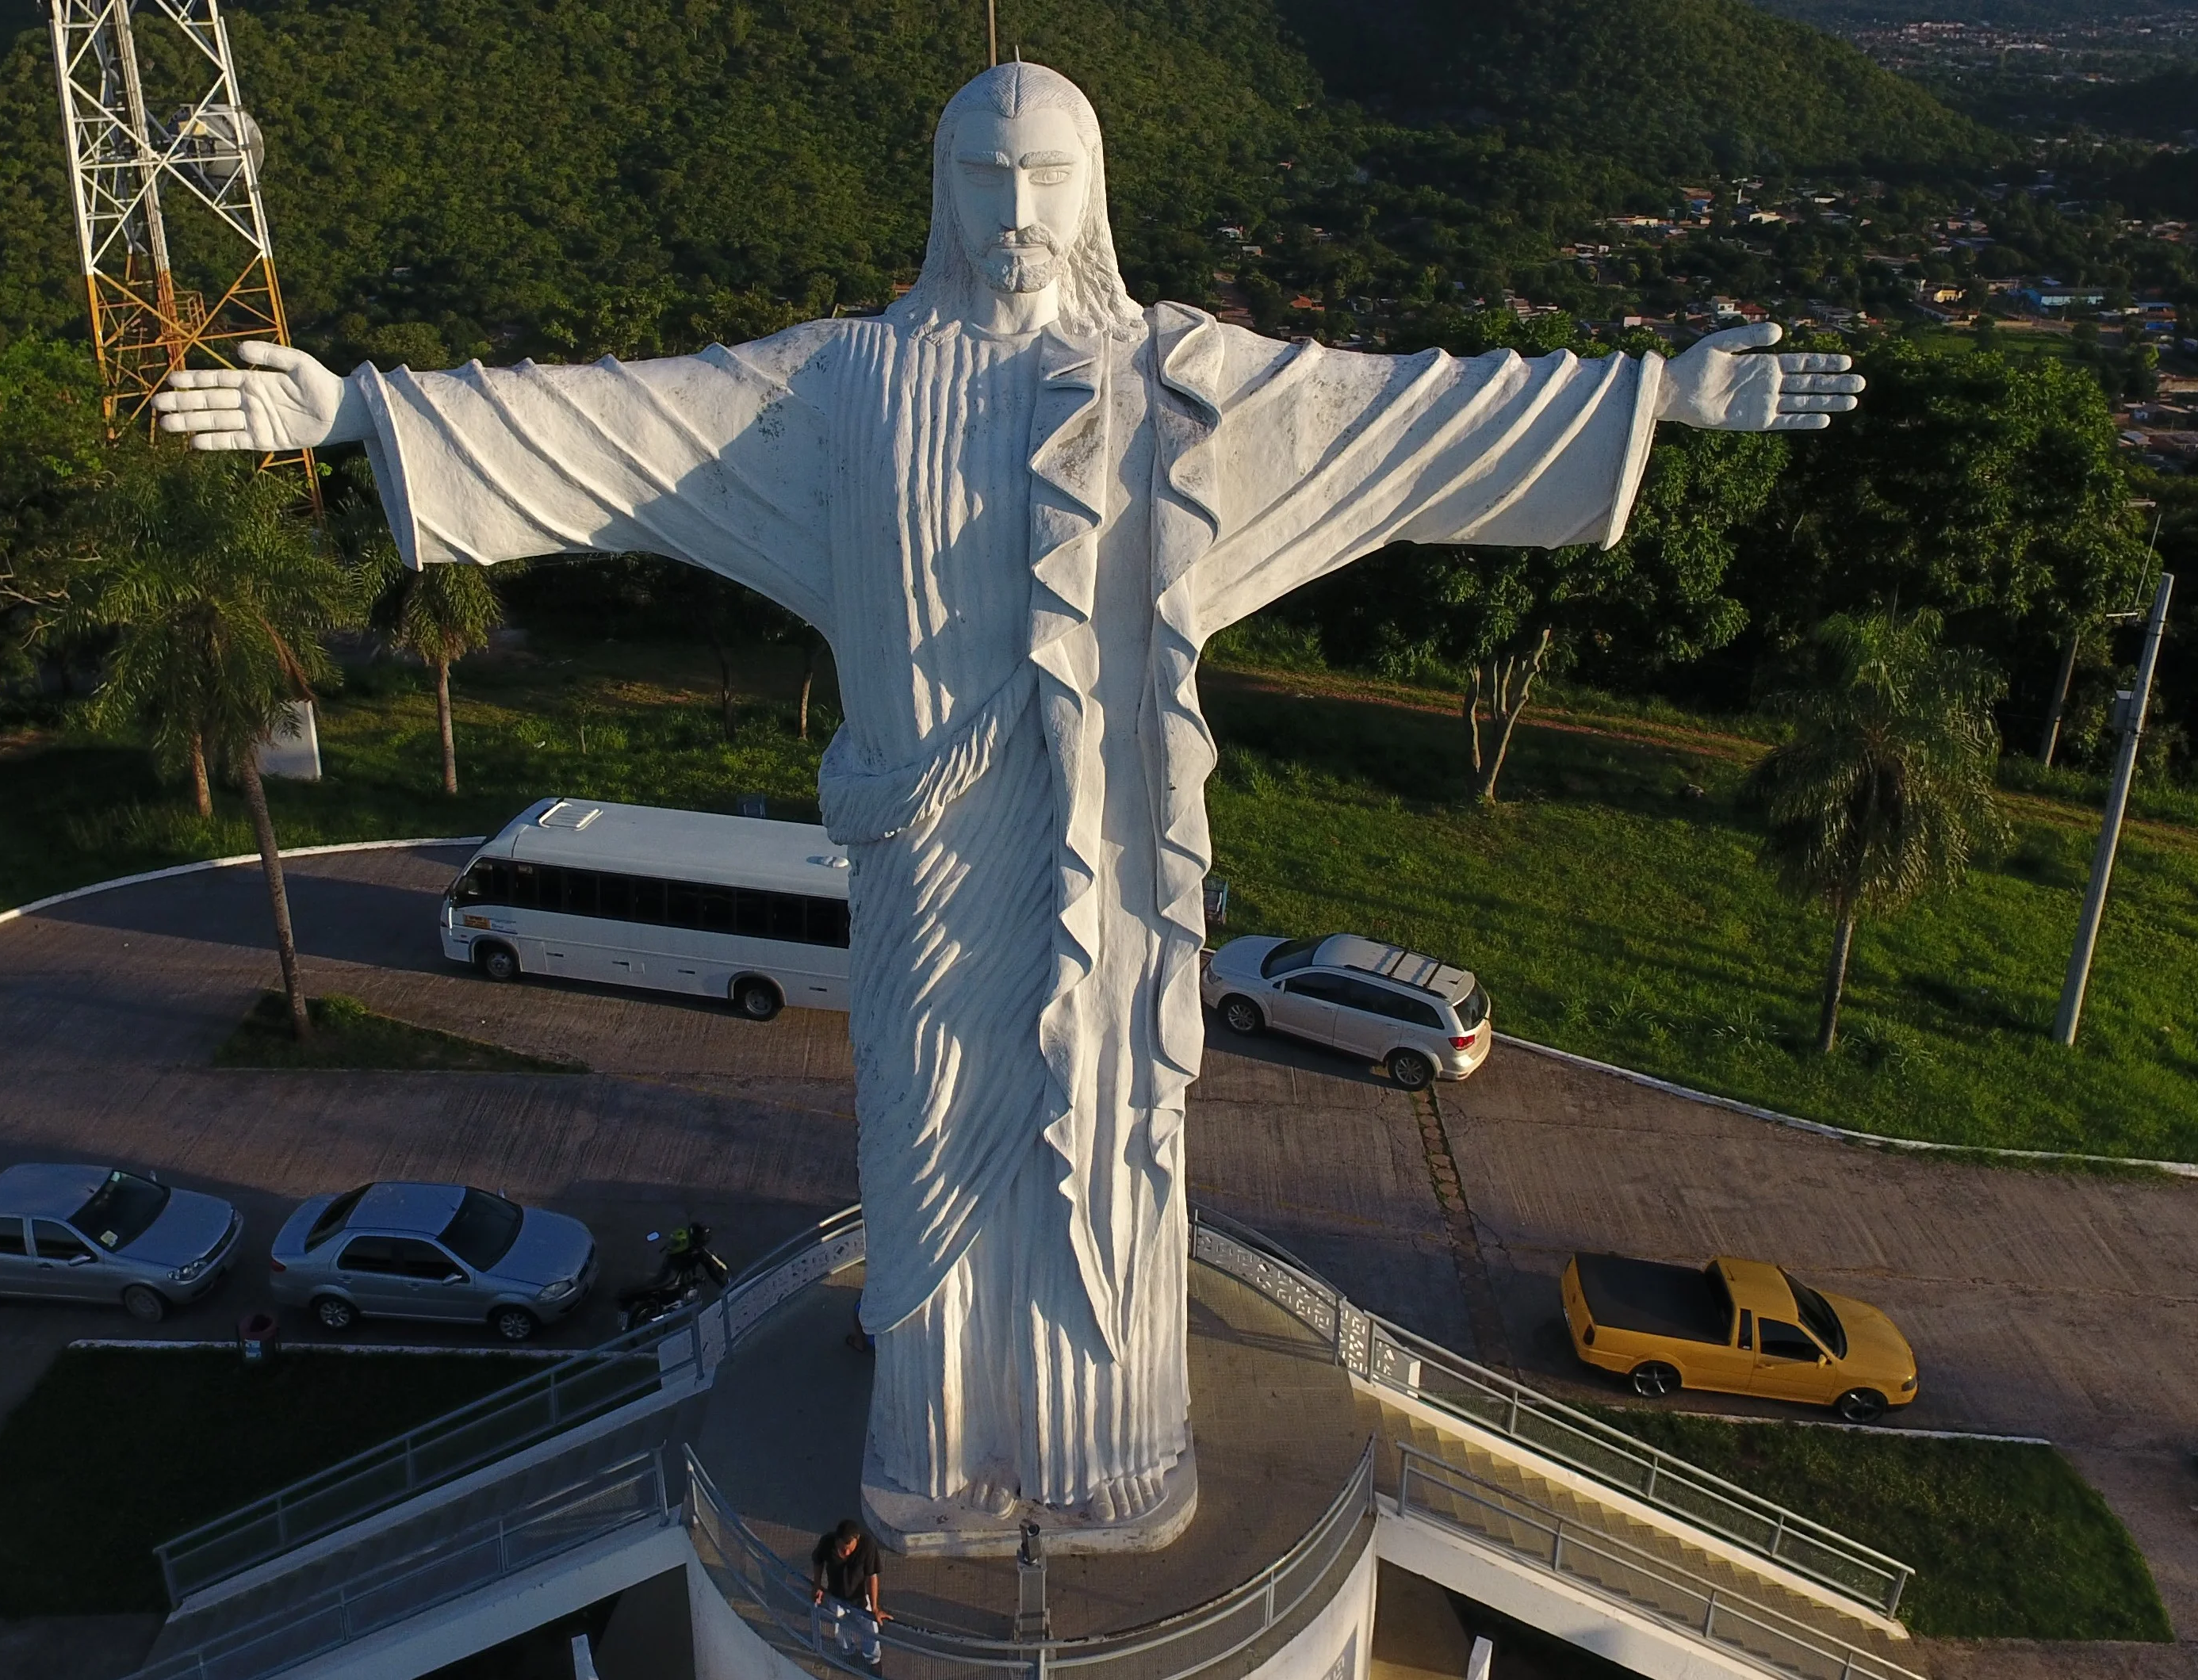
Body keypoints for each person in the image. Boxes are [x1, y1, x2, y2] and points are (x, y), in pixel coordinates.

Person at [152, 60, 1859, 1542]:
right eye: (985, 175)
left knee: (1109, 1150)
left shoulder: (1185, 387)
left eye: (1047, 175)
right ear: (941, 192)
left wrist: (1649, 395)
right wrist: (366, 411)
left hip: (1111, 878)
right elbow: (616, 424)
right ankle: (937, 1445)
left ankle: (1109, 1449)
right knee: (925, 1143)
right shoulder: (838, 391)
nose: (1017, 211)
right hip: (927, 870)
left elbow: (1405, 418)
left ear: (1093, 190)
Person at [810, 1518, 883, 1665]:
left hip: (860, 1598)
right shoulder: (827, 1542)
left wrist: (875, 1607)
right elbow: (818, 1561)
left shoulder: (867, 1546)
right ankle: (847, 1652)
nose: (847, 1552)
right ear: (837, 1540)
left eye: (850, 1549)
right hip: (836, 1596)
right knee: (840, 1627)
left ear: (857, 1540)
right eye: (843, 1549)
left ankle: (873, 1659)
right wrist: (817, 1585)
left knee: (870, 1629)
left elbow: (872, 1576)